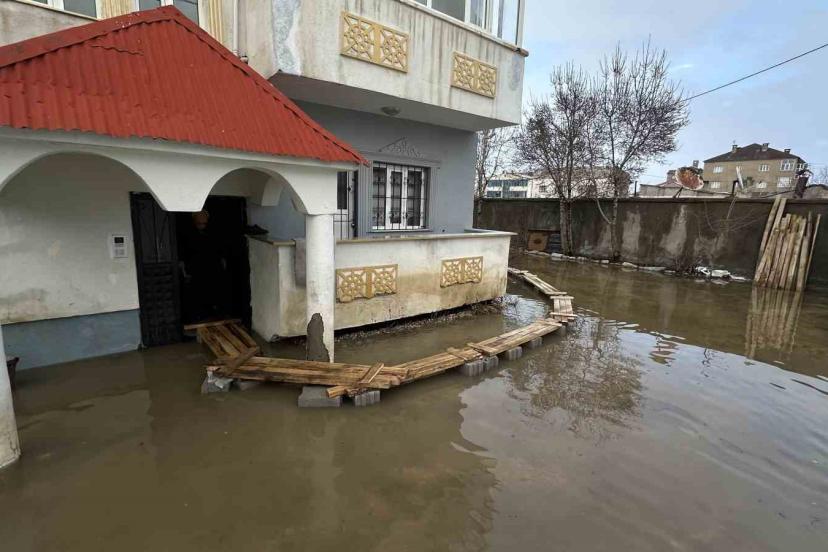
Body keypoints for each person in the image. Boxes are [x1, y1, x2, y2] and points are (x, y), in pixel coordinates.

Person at [179, 211, 230, 322]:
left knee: (214, 292)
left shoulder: (212, 234)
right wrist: (184, 271)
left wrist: (222, 264)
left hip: (212, 268)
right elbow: (183, 254)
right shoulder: (188, 235)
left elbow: (219, 251)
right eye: (199, 223)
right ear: (194, 222)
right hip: (196, 270)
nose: (202, 226)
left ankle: (215, 313)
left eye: (204, 223)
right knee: (198, 294)